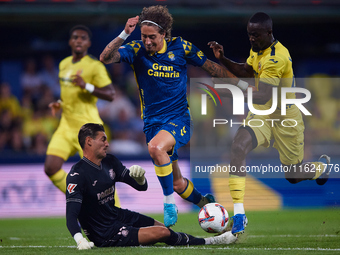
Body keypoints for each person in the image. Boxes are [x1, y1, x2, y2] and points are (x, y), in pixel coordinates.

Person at [100, 5, 242, 227]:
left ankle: (168, 204)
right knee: (177, 183)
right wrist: (125, 34)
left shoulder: (182, 47)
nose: (147, 41)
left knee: (156, 148)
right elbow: (105, 57)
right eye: (143, 36)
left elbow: (211, 68)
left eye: (152, 37)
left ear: (164, 34)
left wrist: (242, 84)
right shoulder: (136, 49)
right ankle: (205, 202)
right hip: (152, 124)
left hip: (179, 120)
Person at [208, 12, 331, 235]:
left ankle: (319, 168)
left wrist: (232, 92)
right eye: (249, 35)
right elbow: (247, 71)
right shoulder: (259, 50)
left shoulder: (278, 57)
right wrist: (223, 59)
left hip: (286, 117)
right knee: (238, 147)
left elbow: (263, 94)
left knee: (292, 176)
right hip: (263, 113)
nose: (251, 39)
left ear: (269, 33)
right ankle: (239, 215)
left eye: (255, 35)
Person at [66, 123, 238, 249]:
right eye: (103, 139)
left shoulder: (110, 161)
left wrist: (139, 179)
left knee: (162, 228)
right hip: (104, 232)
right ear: (89, 141)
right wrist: (80, 240)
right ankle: (211, 241)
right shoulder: (77, 175)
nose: (107, 143)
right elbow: (71, 216)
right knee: (162, 234)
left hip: (117, 215)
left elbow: (142, 187)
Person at [44, 25, 120, 206]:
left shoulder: (94, 66)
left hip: (88, 129)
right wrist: (60, 103)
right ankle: (83, 197)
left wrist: (86, 86)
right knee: (51, 168)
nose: (79, 40)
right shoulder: (63, 64)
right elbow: (68, 93)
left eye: (83, 38)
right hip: (66, 126)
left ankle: (116, 214)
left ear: (88, 43)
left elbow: (111, 95)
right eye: (75, 37)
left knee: (101, 176)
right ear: (70, 41)